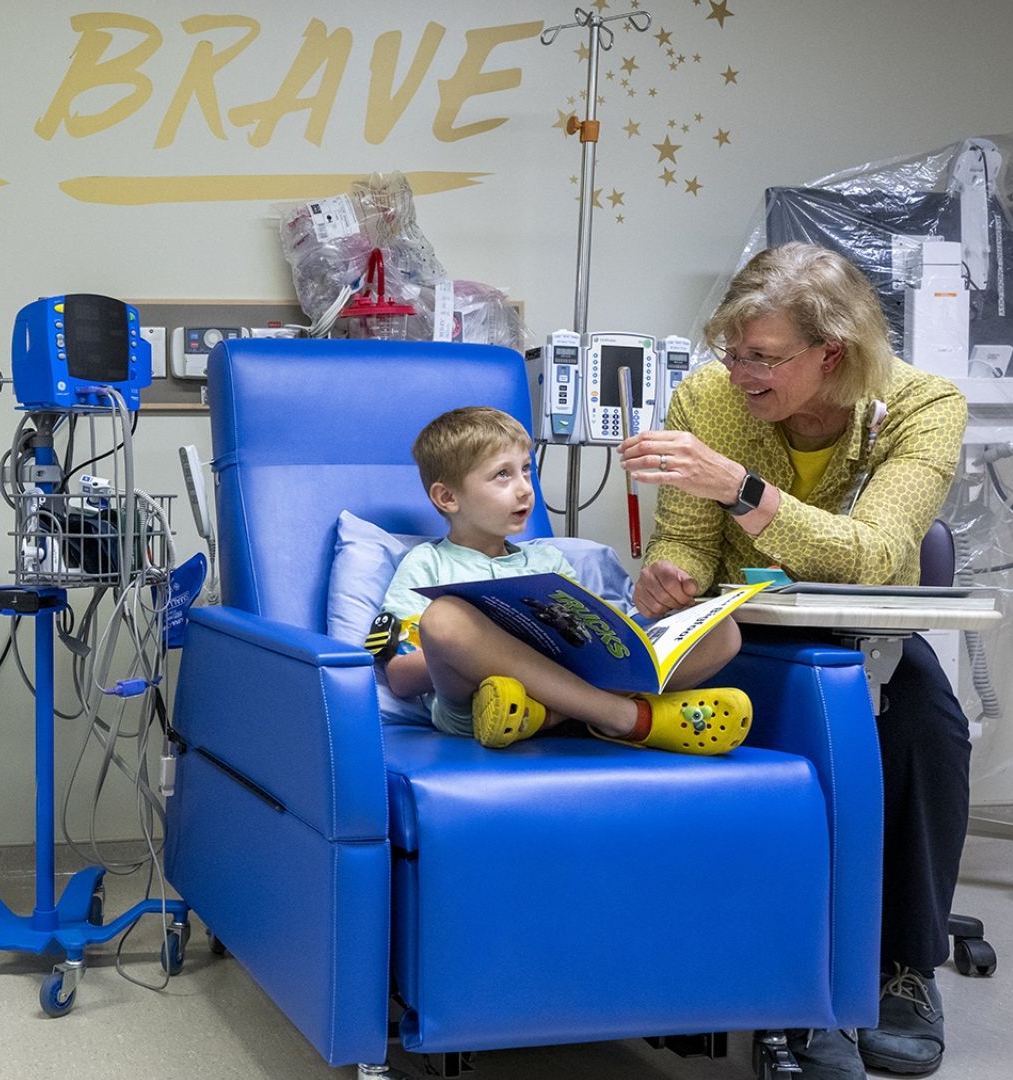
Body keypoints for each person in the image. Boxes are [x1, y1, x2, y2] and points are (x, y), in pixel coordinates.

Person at [619, 242, 970, 1079]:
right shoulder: (708, 394)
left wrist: (742, 488)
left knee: (928, 726)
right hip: (750, 632)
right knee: (777, 738)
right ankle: (797, 984)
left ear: (832, 353)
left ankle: (902, 970)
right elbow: (687, 536)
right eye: (731, 352)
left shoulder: (922, 406)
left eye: (764, 358)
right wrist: (672, 574)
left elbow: (884, 555)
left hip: (867, 633)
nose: (739, 374)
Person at [377, 405, 748, 752]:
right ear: (447, 497)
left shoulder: (548, 562)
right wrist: (497, 648)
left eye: (526, 470)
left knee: (723, 630)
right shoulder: (426, 563)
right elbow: (399, 676)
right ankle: (629, 718)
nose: (524, 488)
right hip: (475, 706)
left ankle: (545, 717)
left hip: (564, 692)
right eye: (502, 475)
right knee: (445, 617)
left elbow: (590, 643)